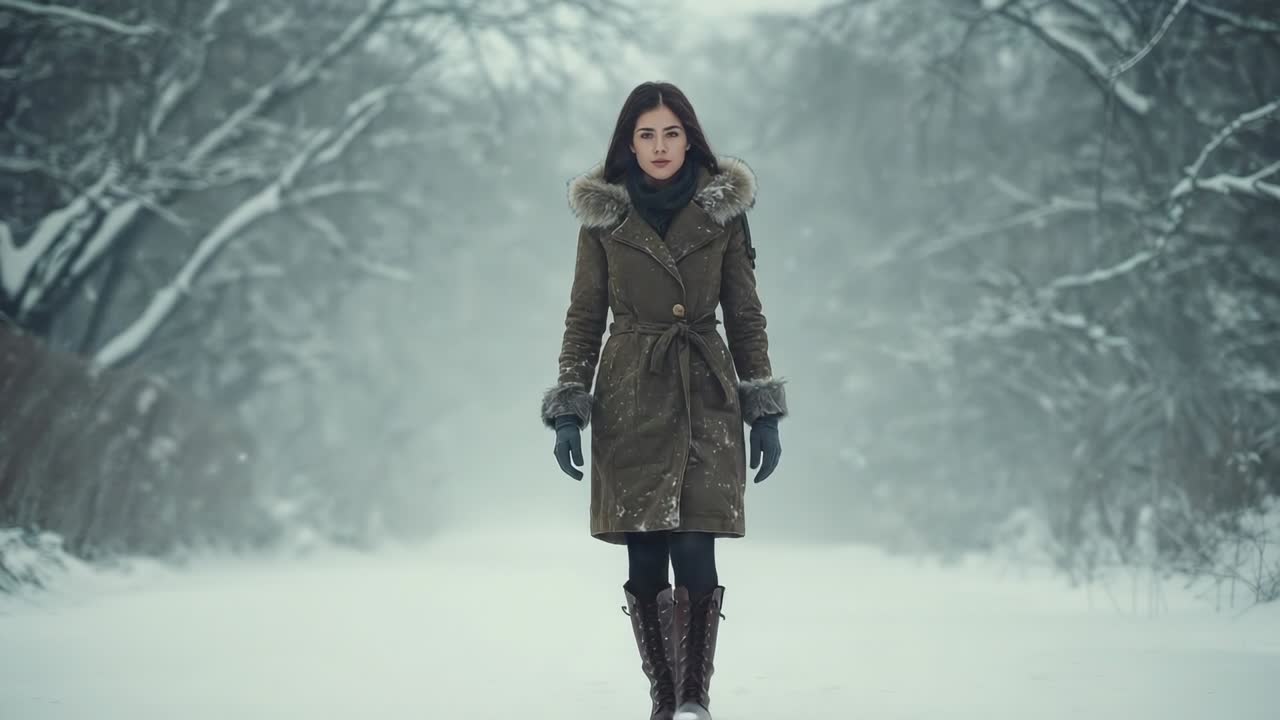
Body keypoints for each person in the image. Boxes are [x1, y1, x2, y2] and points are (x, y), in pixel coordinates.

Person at [539, 81, 787, 720]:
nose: (658, 146)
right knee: (646, 552)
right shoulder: (605, 216)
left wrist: (762, 408)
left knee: (695, 542)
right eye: (645, 134)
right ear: (628, 141)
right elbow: (585, 314)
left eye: (670, 132)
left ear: (689, 137)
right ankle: (663, 698)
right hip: (630, 391)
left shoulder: (723, 211)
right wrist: (570, 406)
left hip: (707, 386)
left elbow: (746, 313)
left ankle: (693, 699)